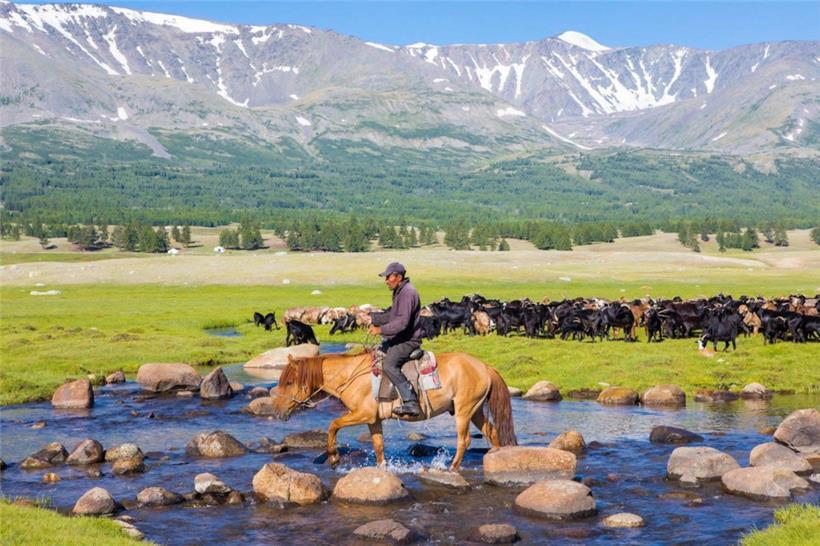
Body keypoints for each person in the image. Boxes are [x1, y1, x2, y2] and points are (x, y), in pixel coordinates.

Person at [369, 262, 424, 417]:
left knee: (389, 365)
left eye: (388, 277)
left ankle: (411, 402)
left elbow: (402, 322)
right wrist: (372, 317)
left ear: (398, 277)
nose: (386, 280)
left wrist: (380, 330)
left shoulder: (408, 293)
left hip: (409, 340)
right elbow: (392, 315)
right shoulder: (400, 291)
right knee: (375, 353)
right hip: (401, 337)